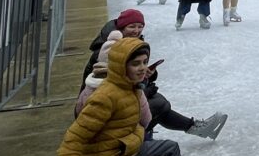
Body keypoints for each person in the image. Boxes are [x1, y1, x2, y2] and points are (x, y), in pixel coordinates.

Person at [42, 36, 217, 156]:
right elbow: (74, 137)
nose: (142, 68)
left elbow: (143, 121)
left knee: (170, 148)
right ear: (121, 66)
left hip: (122, 149)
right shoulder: (105, 97)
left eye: (145, 62)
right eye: (135, 64)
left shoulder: (129, 87)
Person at [80, 8, 227, 142]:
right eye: (131, 26)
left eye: (140, 26)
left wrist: (148, 74)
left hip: (118, 97)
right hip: (100, 105)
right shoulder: (107, 51)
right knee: (157, 105)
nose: (136, 30)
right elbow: (109, 85)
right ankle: (139, 139)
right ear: (121, 28)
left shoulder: (130, 42)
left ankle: (192, 128)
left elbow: (126, 75)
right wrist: (141, 89)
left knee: (157, 101)